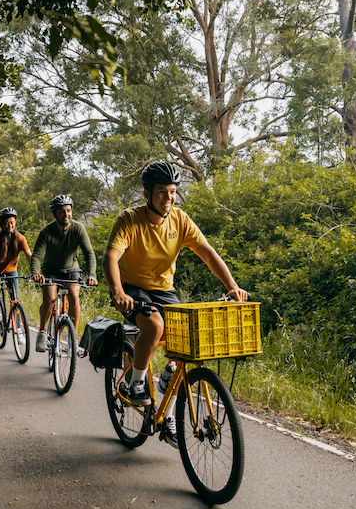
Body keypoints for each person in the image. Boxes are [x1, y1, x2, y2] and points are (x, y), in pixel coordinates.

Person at [102, 161, 249, 445]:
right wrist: (118, 291)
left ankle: (167, 415)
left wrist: (232, 287)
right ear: (147, 194)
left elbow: (207, 253)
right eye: (161, 193)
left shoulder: (180, 220)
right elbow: (111, 256)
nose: (168, 198)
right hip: (134, 288)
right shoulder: (130, 219)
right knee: (154, 325)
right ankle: (135, 383)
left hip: (165, 290)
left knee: (183, 350)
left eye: (172, 192)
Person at [30, 194, 98, 352]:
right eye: (61, 211)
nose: (66, 214)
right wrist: (35, 273)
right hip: (51, 271)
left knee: (74, 295)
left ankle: (72, 338)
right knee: (50, 298)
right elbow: (37, 255)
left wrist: (92, 275)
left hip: (72, 269)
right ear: (55, 214)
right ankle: (41, 333)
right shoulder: (47, 231)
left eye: (68, 211)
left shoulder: (78, 228)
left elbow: (89, 253)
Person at [0, 208, 32, 318]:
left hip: (11, 270)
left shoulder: (20, 238)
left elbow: (29, 255)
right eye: (6, 223)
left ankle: (18, 330)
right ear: (1, 224)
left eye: (12, 223)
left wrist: (34, 271)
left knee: (15, 300)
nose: (10, 225)